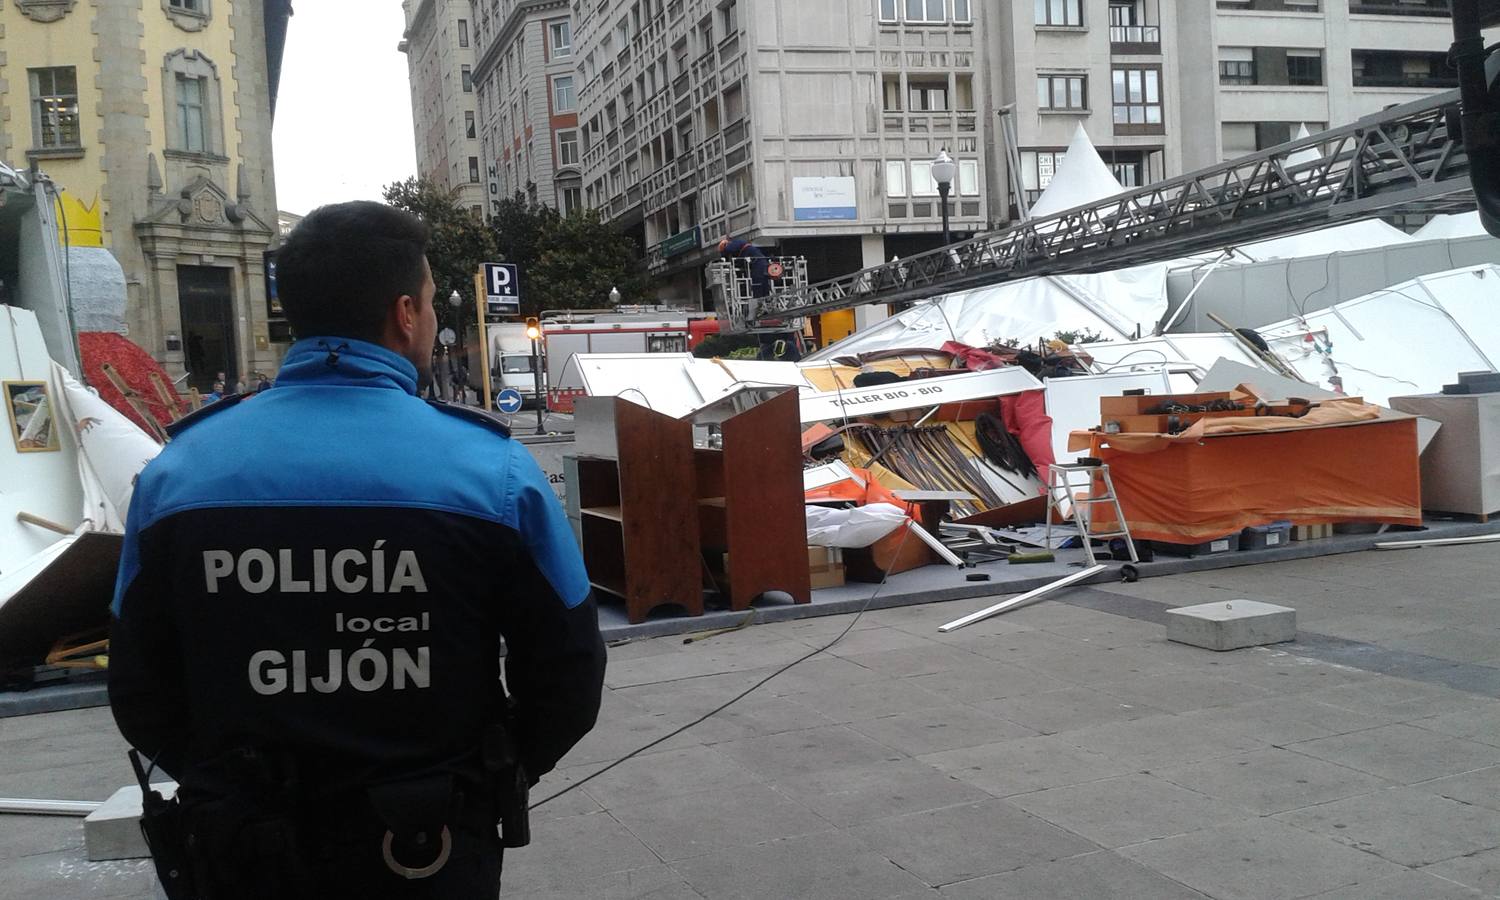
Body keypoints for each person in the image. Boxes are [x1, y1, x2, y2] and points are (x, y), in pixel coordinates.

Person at [109, 201, 607, 899]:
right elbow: (569, 673)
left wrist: (231, 782)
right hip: (425, 849)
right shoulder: (492, 472)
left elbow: (138, 687)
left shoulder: (177, 472)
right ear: (405, 314)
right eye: (433, 304)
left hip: (240, 852)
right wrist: (486, 772)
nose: (435, 320)